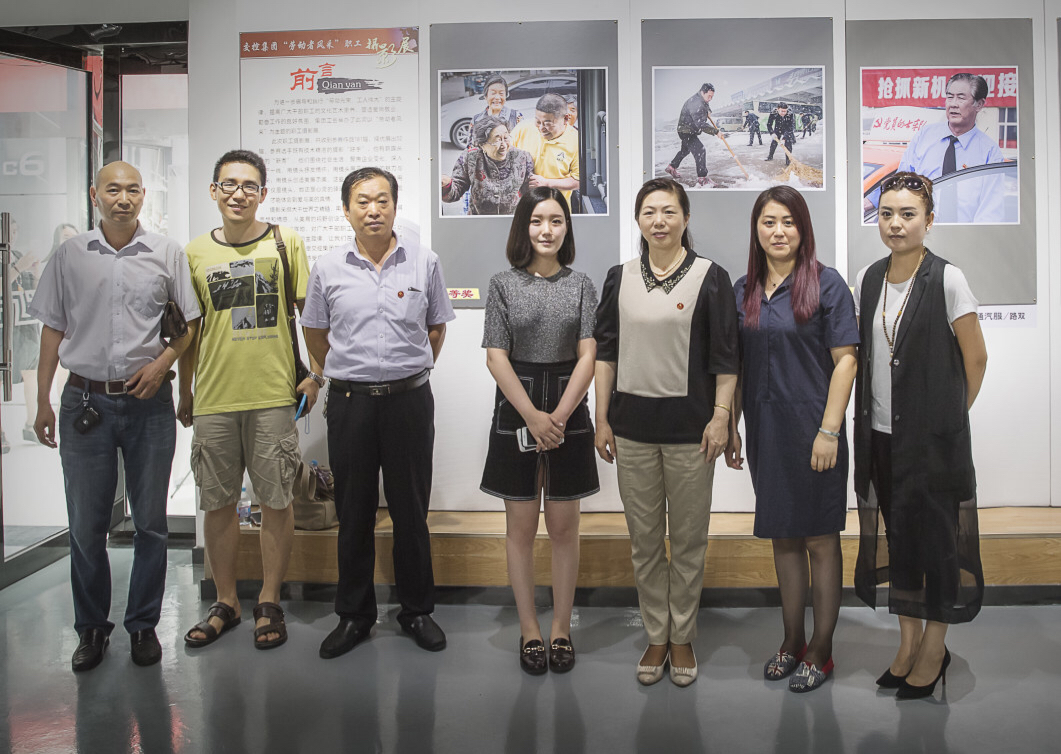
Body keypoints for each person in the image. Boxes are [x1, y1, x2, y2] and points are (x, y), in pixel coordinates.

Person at [29, 161, 200, 671]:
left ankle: (143, 625)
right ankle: (91, 628)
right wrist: (42, 399)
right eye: (113, 190)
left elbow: (189, 324)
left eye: (132, 190)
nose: (122, 199)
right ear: (94, 195)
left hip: (149, 402)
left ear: (143, 195)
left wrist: (164, 365)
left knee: (151, 523)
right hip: (85, 402)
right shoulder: (70, 255)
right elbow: (52, 329)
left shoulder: (166, 252)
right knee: (86, 525)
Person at [303, 167, 456, 659]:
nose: (374, 210)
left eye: (383, 200)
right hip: (350, 404)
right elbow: (315, 334)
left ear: (395, 205)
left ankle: (416, 611)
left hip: (409, 401)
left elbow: (436, 327)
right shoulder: (328, 267)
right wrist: (350, 370)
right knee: (354, 512)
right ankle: (354, 615)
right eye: (363, 201)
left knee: (412, 511)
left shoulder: (423, 261)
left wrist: (408, 369)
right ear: (346, 210)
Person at [594, 177, 738, 687]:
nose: (659, 221)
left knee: (690, 539)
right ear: (638, 220)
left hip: (691, 433)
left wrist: (721, 417)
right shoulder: (619, 277)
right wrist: (601, 416)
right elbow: (606, 352)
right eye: (650, 212)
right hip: (631, 430)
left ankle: (683, 636)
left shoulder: (710, 277)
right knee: (645, 541)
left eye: (669, 211)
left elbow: (726, 358)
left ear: (686, 218)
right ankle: (657, 634)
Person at [180, 149, 322, 651]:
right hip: (214, 398)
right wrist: (185, 391)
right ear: (214, 191)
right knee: (217, 504)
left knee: (276, 500)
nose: (238, 193)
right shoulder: (195, 253)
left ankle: (268, 600)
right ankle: (225, 602)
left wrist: (316, 374)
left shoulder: (286, 242)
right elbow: (189, 332)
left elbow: (314, 317)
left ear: (263, 193)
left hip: (272, 396)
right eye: (229, 184)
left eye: (248, 185)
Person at [853, 171, 988, 699]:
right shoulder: (868, 278)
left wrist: (948, 419)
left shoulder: (949, 279)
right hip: (882, 439)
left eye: (908, 214)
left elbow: (976, 359)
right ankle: (907, 644)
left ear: (929, 220)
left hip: (933, 445)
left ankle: (935, 648)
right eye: (886, 213)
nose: (896, 223)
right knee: (901, 543)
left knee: (937, 547)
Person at [725, 186, 859, 693]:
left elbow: (846, 361)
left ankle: (822, 649)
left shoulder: (827, 284)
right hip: (766, 428)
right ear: (756, 229)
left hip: (815, 429)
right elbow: (736, 366)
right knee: (783, 536)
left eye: (788, 222)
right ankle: (792, 640)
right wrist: (732, 424)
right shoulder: (744, 289)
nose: (778, 231)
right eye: (769, 222)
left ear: (803, 229)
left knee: (820, 539)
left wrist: (829, 431)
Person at [480, 187, 599, 675]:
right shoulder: (502, 284)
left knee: (565, 529)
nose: (546, 230)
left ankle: (561, 629)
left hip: (570, 409)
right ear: (523, 227)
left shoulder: (582, 284)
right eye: (536, 220)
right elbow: (496, 356)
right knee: (522, 529)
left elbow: (588, 355)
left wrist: (561, 415)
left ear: (567, 228)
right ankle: (530, 629)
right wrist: (532, 415)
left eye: (556, 221)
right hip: (518, 408)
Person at [895, 74, 1005, 223]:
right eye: (950, 97)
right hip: (921, 229)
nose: (953, 104)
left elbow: (990, 211)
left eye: (961, 98)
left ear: (979, 104)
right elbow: (901, 182)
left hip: (965, 234)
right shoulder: (924, 136)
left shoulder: (989, 152)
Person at [441, 116, 535, 215]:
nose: (504, 145)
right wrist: (446, 184)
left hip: (513, 219)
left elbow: (530, 195)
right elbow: (455, 192)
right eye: (497, 140)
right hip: (479, 220)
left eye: (506, 138)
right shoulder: (470, 157)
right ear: (482, 145)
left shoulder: (522, 158)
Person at [510, 93, 581, 211]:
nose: (541, 128)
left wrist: (546, 183)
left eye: (548, 123)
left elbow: (578, 180)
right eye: (538, 121)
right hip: (523, 207)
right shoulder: (523, 128)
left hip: (555, 209)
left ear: (566, 119)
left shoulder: (576, 140)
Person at [664, 83, 723, 187]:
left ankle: (671, 167)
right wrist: (716, 132)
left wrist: (708, 112)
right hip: (687, 131)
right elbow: (700, 124)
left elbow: (705, 107)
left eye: (712, 97)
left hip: (687, 130)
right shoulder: (695, 103)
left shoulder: (701, 99)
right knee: (700, 150)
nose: (710, 99)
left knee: (685, 150)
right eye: (709, 96)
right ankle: (702, 179)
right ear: (702, 92)